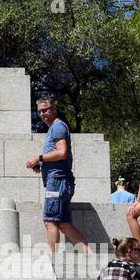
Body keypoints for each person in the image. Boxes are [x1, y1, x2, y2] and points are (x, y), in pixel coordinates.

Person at [26, 95, 90, 252]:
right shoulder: (54, 128)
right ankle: (90, 256)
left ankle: (52, 261)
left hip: (58, 181)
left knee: (50, 221)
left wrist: (39, 158)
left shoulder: (58, 127)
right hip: (59, 180)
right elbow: (58, 156)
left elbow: (62, 153)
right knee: (63, 223)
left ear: (54, 109)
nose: (42, 114)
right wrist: (41, 164)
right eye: (39, 112)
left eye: (45, 110)